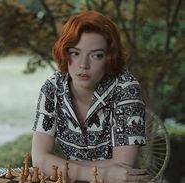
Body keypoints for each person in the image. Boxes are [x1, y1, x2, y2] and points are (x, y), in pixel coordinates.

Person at [32, 10, 149, 183]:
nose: (83, 65)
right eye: (75, 53)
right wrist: (103, 174)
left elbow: (123, 167)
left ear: (109, 58)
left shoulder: (126, 88)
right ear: (64, 52)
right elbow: (39, 161)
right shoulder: (52, 87)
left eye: (96, 55)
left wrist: (58, 164)